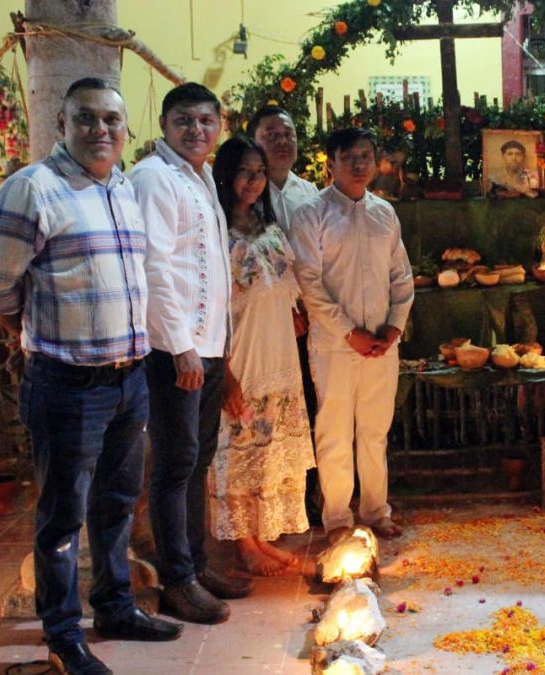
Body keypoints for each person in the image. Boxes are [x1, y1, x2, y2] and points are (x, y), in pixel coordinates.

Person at [0, 77, 181, 675]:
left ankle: (116, 607)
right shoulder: (32, 190)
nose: (100, 130)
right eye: (86, 119)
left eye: (112, 121)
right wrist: (35, 329)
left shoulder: (121, 188)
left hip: (128, 379)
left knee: (117, 504)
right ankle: (63, 636)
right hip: (67, 385)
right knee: (63, 517)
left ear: (125, 130)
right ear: (63, 124)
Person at [130, 82, 249, 625]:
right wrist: (181, 349)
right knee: (176, 464)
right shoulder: (154, 178)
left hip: (206, 347)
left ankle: (196, 567)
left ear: (218, 125)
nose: (196, 130)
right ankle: (177, 579)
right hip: (176, 350)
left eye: (206, 121)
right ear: (164, 124)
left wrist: (215, 350)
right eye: (185, 121)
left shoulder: (197, 177)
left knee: (198, 460)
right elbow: (155, 267)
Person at [290, 127, 414, 543]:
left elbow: (401, 275)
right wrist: (349, 333)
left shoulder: (384, 214)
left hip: (382, 342)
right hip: (334, 346)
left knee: (376, 429)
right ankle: (339, 518)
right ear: (332, 164)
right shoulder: (311, 213)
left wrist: (394, 325)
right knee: (335, 430)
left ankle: (377, 509)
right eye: (350, 157)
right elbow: (308, 283)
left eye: (366, 156)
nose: (360, 165)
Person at [210, 135, 315, 576]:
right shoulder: (218, 233)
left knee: (272, 450)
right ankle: (245, 544)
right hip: (243, 356)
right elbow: (213, 308)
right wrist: (225, 377)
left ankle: (265, 534)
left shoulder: (269, 227)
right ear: (226, 176)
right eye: (243, 172)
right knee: (239, 450)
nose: (252, 182)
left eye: (258, 173)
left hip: (279, 356)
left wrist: (293, 314)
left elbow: (283, 285)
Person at [247, 105, 319, 235]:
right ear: (252, 141)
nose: (282, 141)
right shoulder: (245, 192)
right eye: (271, 134)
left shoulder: (310, 192)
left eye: (288, 134)